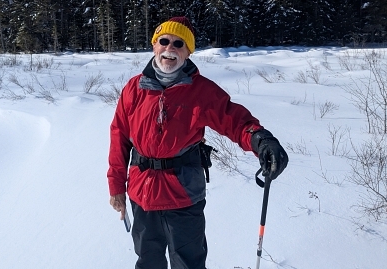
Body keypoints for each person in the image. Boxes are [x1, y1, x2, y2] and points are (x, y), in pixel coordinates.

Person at [107, 16, 288, 269]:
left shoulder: (201, 91)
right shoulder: (134, 89)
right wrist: (116, 186)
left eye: (179, 44)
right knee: (147, 261)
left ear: (188, 52)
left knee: (189, 264)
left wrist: (260, 140)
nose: (170, 49)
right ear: (154, 46)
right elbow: (119, 137)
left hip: (182, 195)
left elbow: (234, 120)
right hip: (141, 193)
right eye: (164, 41)